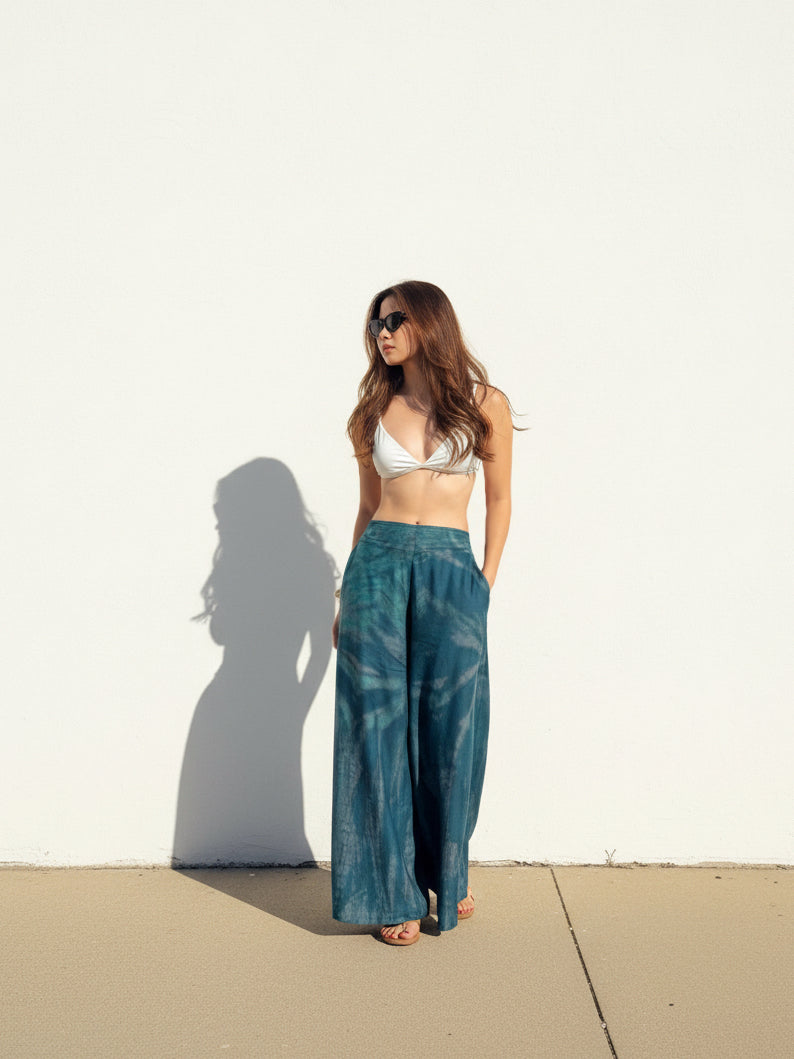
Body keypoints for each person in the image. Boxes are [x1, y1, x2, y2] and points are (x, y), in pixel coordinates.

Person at [331, 280, 514, 945]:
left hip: (448, 567)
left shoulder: (484, 404)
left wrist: (483, 584)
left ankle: (446, 871)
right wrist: (345, 595)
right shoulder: (371, 413)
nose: (383, 330)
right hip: (378, 567)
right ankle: (391, 893)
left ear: (429, 322)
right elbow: (363, 507)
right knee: (375, 731)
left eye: (397, 318)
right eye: (377, 320)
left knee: (451, 728)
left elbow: (500, 501)